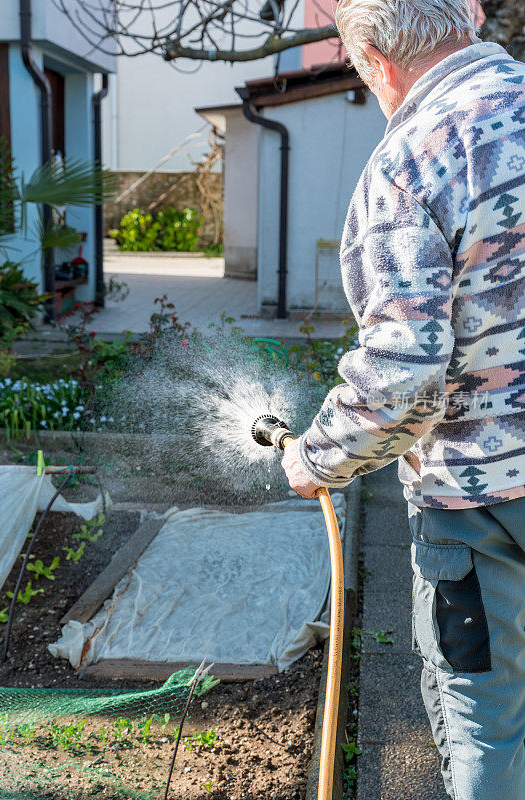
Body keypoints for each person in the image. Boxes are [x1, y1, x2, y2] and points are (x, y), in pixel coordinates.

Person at [281, 2, 525, 798]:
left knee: (485, 718)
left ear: (377, 61)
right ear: (472, 16)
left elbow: (402, 376)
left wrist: (313, 460)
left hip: (482, 507)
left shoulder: (414, 161)